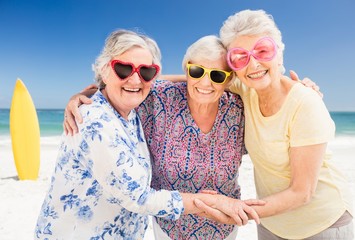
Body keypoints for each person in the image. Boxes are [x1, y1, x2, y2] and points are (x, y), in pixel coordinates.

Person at [35, 29, 263, 240]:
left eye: (146, 71)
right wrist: (209, 202)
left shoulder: (132, 109)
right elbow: (139, 197)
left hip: (140, 233)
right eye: (123, 69)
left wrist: (294, 90)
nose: (135, 79)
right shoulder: (95, 121)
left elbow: (270, 102)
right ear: (104, 69)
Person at [197, 9, 354, 240]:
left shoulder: (305, 103)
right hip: (271, 222)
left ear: (279, 54)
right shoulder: (245, 89)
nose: (253, 65)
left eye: (262, 51)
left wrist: (235, 210)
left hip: (322, 224)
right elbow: (195, 79)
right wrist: (146, 79)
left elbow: (302, 192)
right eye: (240, 57)